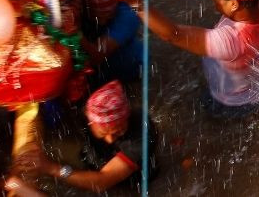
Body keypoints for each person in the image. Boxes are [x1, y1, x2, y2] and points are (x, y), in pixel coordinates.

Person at [136, 0, 259, 117]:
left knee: (210, 111)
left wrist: (136, 6)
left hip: (233, 100)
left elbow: (172, 35)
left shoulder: (231, 40)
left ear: (234, 4)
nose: (213, 0)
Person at [14, 81, 157, 193]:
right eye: (103, 133)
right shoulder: (86, 110)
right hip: (92, 161)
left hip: (129, 182)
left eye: (119, 131)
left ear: (127, 117)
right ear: (90, 121)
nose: (111, 140)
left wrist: (51, 168)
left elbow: (102, 182)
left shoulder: (142, 134)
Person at [79, 0, 143, 85]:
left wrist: (73, 32)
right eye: (96, 17)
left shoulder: (127, 17)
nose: (102, 21)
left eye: (105, 16)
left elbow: (96, 55)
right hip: (101, 62)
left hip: (128, 67)